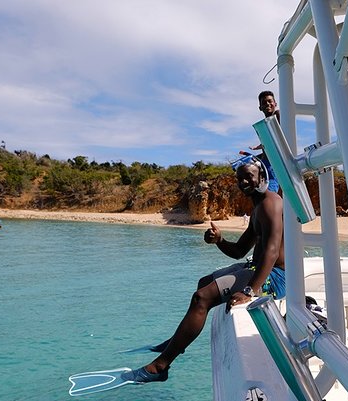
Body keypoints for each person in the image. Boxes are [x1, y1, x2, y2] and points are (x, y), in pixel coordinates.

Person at [121, 156, 286, 383]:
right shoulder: (258, 206)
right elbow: (239, 250)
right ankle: (176, 342)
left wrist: (250, 290)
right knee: (204, 281)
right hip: (257, 267)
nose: (244, 182)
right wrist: (219, 240)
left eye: (249, 176)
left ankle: (160, 367)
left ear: (262, 177)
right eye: (240, 179)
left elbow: (273, 251)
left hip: (273, 277)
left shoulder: (271, 203)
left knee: (202, 298)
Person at [250, 90, 281, 194]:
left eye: (270, 101)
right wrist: (258, 147)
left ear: (275, 104)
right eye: (264, 103)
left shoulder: (277, 115)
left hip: (275, 161)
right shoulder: (264, 125)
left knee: (270, 187)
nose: (267, 104)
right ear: (260, 108)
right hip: (266, 160)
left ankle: (270, 200)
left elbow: (279, 138)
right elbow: (268, 143)